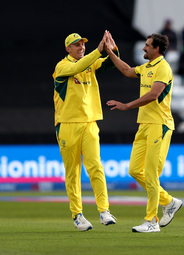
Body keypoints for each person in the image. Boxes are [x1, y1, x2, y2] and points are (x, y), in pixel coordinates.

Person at [104, 32, 183, 233]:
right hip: (145, 124)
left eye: (147, 45)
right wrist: (110, 52)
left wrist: (126, 105)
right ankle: (169, 202)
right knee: (134, 170)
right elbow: (127, 70)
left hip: (160, 125)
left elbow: (154, 95)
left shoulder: (163, 67)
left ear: (157, 49)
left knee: (151, 174)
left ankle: (151, 221)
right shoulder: (147, 67)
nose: (143, 48)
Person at [52, 32, 117, 231]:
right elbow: (77, 67)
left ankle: (104, 211)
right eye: (76, 45)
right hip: (67, 125)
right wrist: (98, 51)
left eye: (82, 45)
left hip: (89, 123)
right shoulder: (62, 66)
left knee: (96, 166)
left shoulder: (90, 62)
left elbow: (109, 63)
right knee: (73, 172)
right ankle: (77, 215)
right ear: (68, 49)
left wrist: (112, 50)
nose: (81, 48)